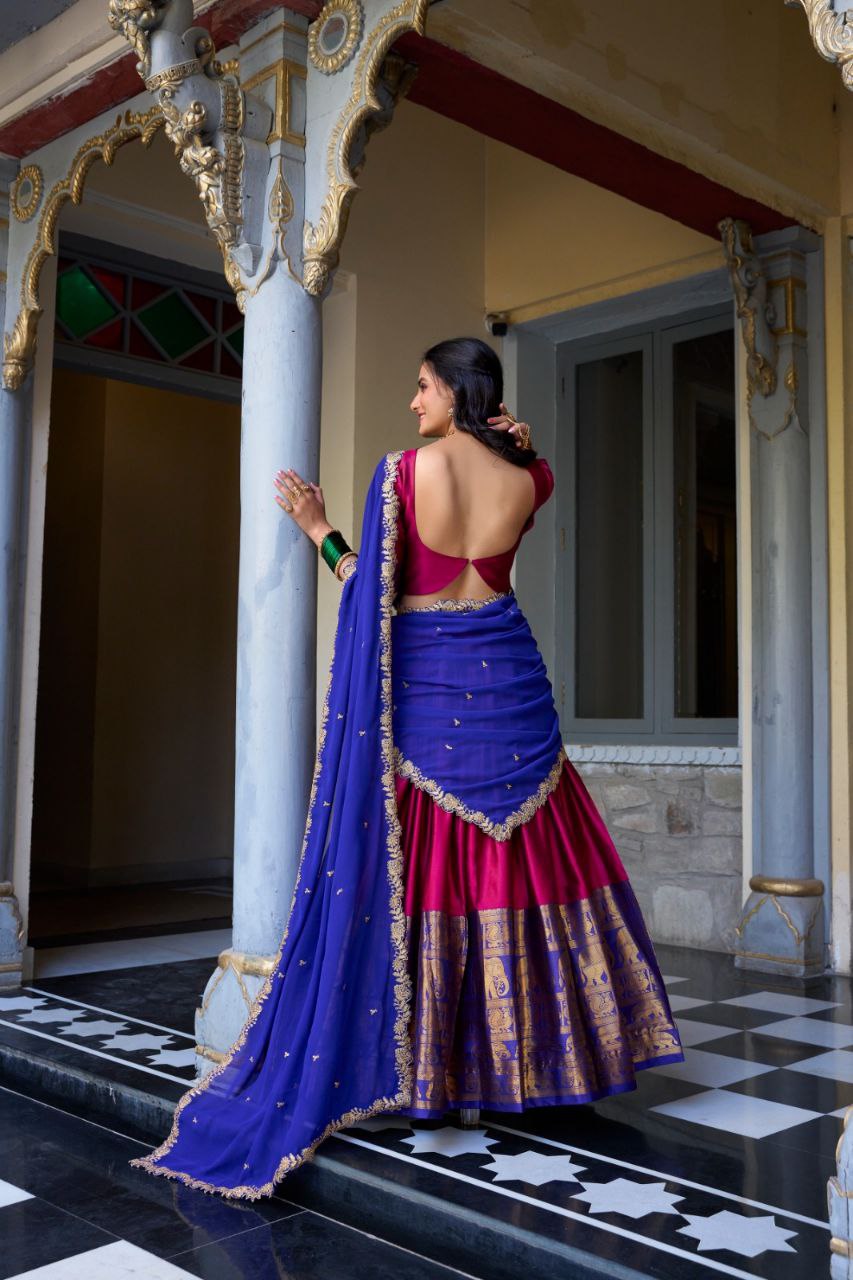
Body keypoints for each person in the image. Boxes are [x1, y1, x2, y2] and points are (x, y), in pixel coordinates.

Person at [130, 336, 683, 1199]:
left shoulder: (401, 473)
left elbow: (369, 593)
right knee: (520, 863)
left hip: (427, 686)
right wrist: (519, 444)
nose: (414, 400)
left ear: (457, 392)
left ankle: (436, 1076)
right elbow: (528, 473)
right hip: (509, 682)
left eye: (423, 386)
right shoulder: (531, 481)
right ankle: (526, 1065)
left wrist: (319, 532)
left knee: (427, 868)